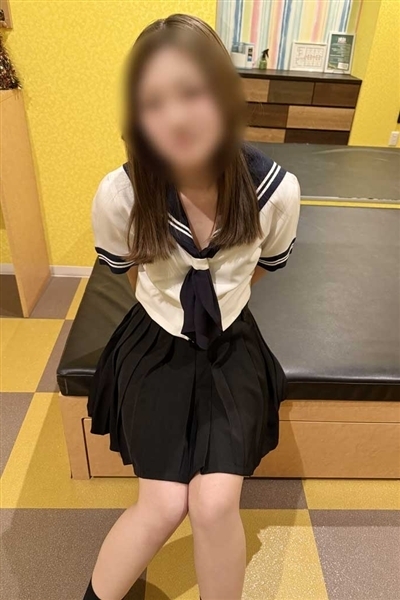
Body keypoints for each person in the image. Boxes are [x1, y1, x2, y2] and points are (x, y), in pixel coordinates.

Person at [83, 13, 301, 600]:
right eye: (153, 102)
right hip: (154, 346)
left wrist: (219, 301)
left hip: (231, 347)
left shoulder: (276, 191)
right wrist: (172, 310)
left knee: (214, 502)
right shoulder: (121, 195)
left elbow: (264, 265)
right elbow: (127, 273)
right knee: (161, 505)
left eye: (191, 91)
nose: (175, 118)